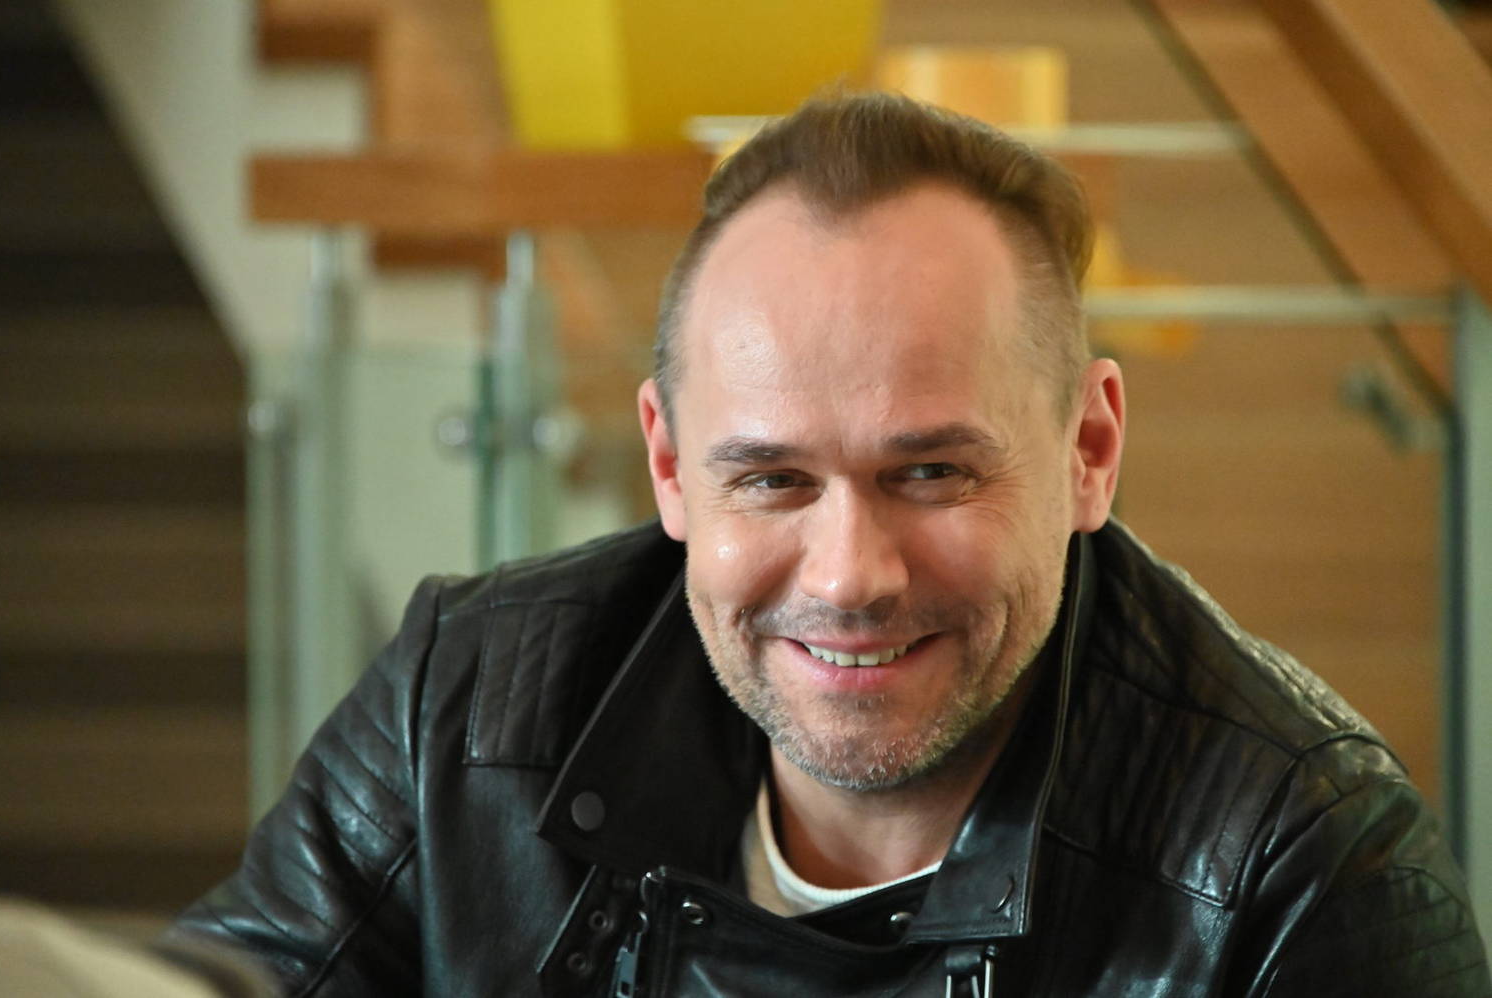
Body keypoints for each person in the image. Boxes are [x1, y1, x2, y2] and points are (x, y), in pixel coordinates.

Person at [171, 92, 1490, 996]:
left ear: (1089, 450)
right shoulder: (464, 706)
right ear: (671, 465)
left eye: (931, 472)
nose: (851, 573)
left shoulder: (1297, 869)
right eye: (772, 479)